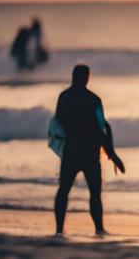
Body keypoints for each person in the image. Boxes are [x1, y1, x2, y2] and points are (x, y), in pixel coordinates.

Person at [53, 64, 126, 235]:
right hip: (90, 153)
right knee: (95, 193)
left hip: (70, 151)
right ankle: (99, 229)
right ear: (87, 77)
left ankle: (59, 230)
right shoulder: (94, 100)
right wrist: (112, 153)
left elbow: (57, 122)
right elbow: (102, 127)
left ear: (73, 76)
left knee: (63, 190)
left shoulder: (63, 97)